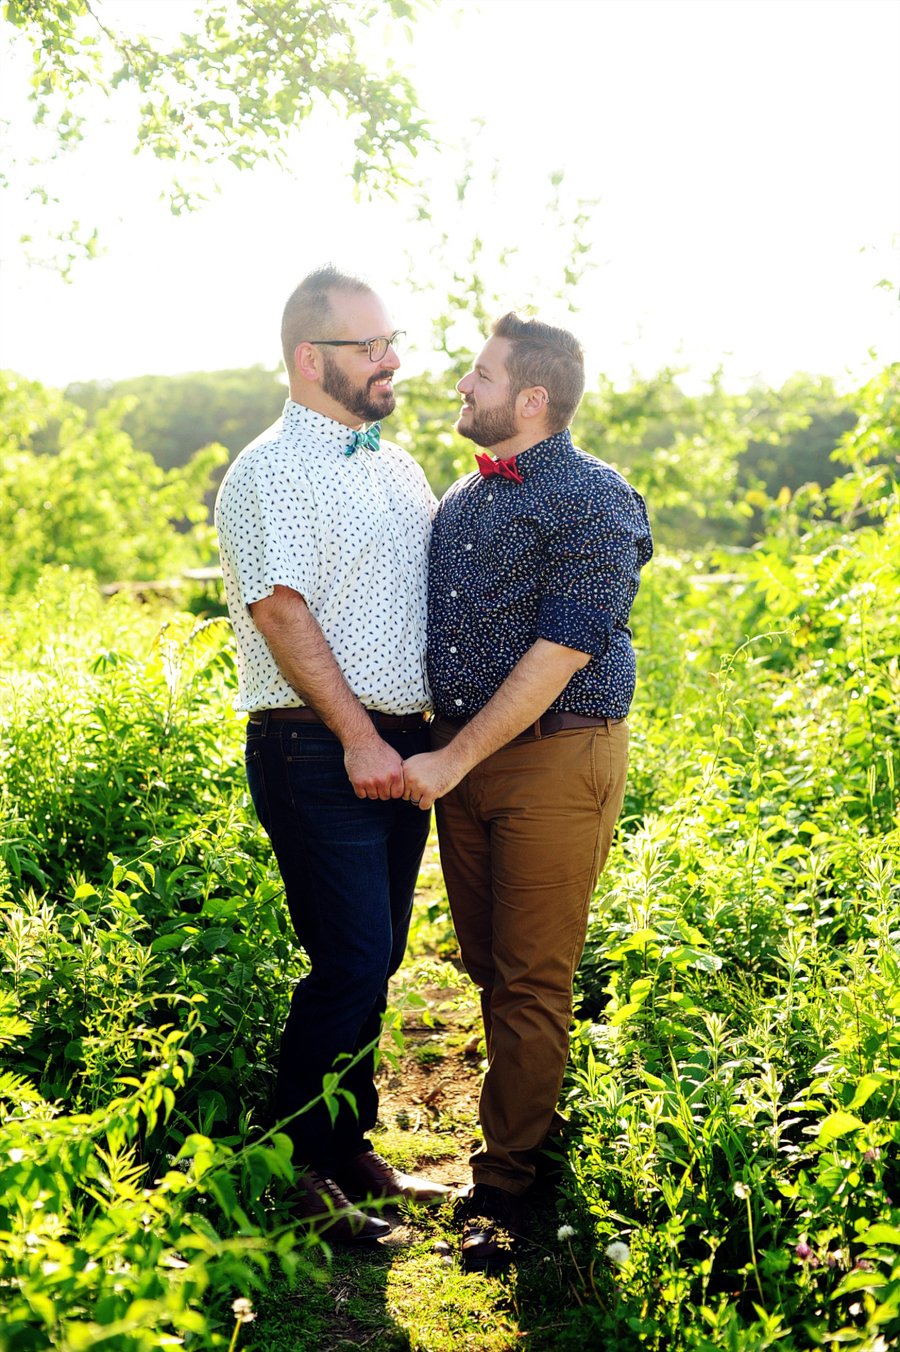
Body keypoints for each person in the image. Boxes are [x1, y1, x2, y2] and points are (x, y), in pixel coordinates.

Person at [401, 312, 653, 1268]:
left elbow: (562, 651)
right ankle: (535, 1112)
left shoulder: (595, 498)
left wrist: (451, 760)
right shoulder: (465, 497)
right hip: (461, 760)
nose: (461, 389)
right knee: (487, 964)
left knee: (535, 977)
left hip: (554, 754)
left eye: (479, 376)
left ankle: (505, 1183)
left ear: (531, 398)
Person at [214, 265, 449, 1241]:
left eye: (392, 340)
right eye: (369, 346)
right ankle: (302, 1172)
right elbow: (280, 608)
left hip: (399, 747)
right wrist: (358, 736)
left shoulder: (394, 465)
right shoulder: (272, 468)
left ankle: (348, 1147)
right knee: (348, 955)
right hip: (318, 749)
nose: (392, 359)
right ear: (310, 359)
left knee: (379, 955)